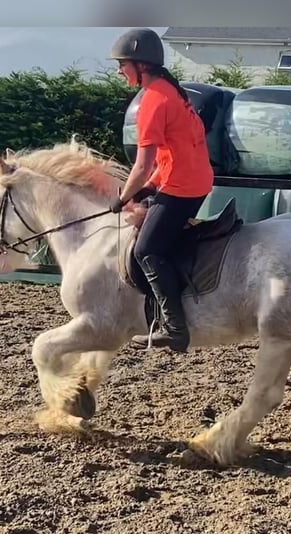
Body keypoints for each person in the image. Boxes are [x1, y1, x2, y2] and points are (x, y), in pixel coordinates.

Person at [108, 28, 213, 353]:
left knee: (146, 250)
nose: (119, 70)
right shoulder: (172, 90)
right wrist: (146, 189)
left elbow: (141, 166)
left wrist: (123, 197)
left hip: (182, 186)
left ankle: (174, 328)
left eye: (122, 63)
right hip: (188, 178)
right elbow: (169, 156)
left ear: (141, 64)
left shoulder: (152, 100)